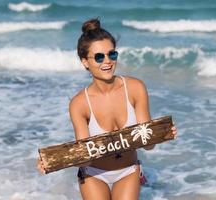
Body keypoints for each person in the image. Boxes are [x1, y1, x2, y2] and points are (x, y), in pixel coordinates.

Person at [37, 18, 177, 200]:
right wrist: (55, 160)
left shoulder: (135, 88)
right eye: (98, 57)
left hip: (128, 171)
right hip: (93, 173)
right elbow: (85, 157)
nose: (107, 61)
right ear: (85, 62)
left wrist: (160, 132)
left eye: (112, 54)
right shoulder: (79, 104)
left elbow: (148, 146)